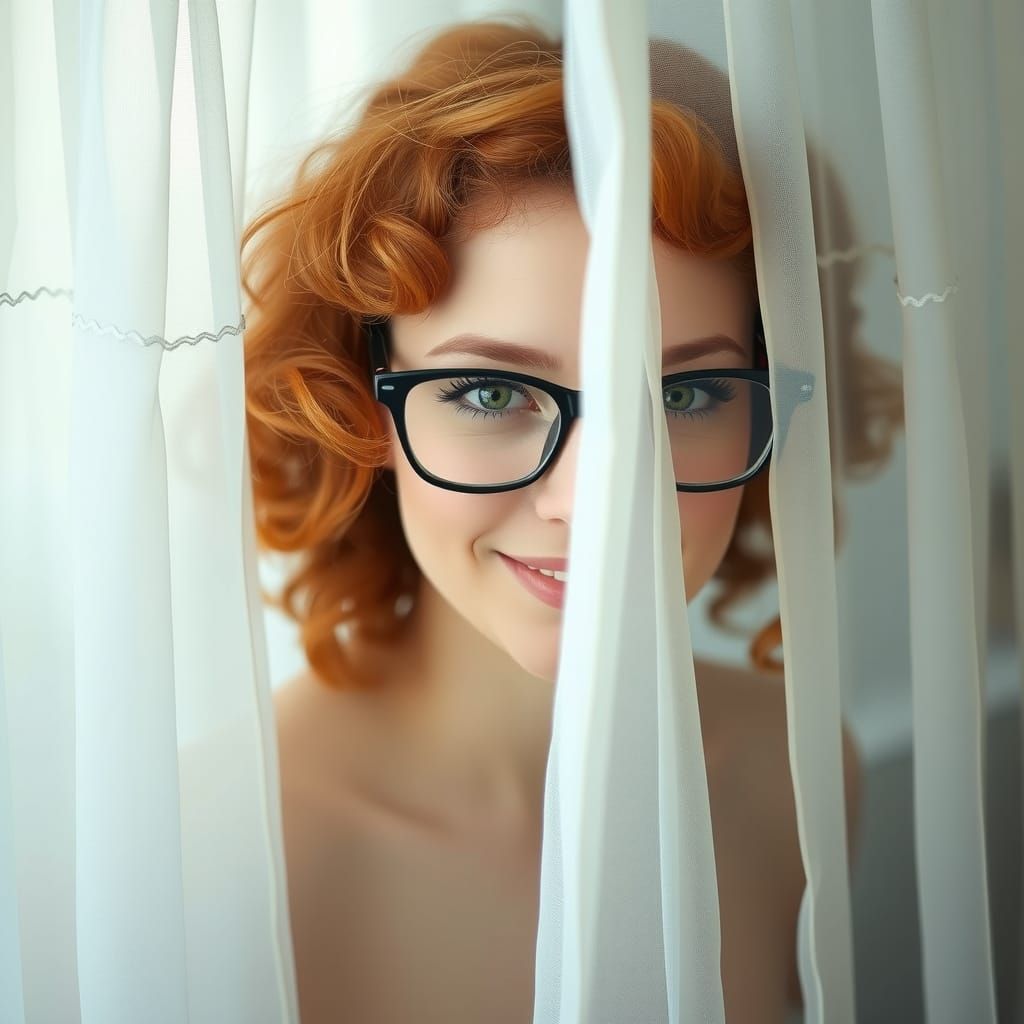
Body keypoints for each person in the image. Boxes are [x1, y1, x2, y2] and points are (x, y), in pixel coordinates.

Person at [241, 18, 901, 1024]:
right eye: (489, 392)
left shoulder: (793, 773)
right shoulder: (220, 849)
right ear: (359, 403)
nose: (597, 502)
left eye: (681, 397)